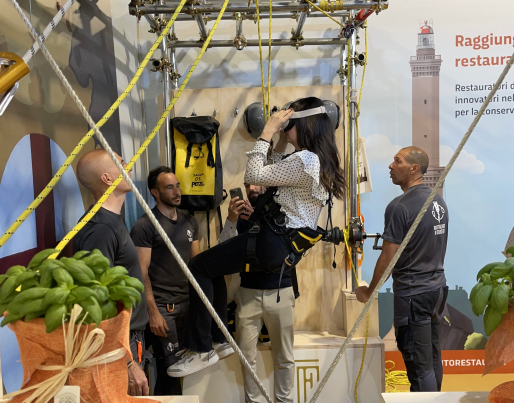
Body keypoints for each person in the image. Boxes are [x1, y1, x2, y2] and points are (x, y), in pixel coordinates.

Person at [167, 97, 346, 378]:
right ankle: (219, 340)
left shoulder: (306, 159)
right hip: (280, 245)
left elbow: (255, 174)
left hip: (272, 241)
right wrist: (281, 139)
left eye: (290, 125)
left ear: (303, 124)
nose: (285, 129)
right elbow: (274, 173)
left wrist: (267, 132)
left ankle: (202, 348)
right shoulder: (315, 160)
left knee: (198, 267)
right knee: (210, 268)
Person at [355, 146, 449, 392]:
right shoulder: (437, 200)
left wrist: (368, 293)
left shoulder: (399, 207)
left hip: (413, 295)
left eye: (397, 161)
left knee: (420, 366)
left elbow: (388, 257)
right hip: (436, 291)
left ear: (414, 169)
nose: (390, 166)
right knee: (431, 358)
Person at [72, 149, 149, 396]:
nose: (129, 166)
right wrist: (127, 361)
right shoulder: (101, 229)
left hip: (127, 338)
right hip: (120, 345)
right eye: (122, 163)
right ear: (107, 178)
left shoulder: (110, 220)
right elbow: (96, 301)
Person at [221, 183, 296, 403]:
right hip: (248, 293)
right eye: (247, 184)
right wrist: (231, 220)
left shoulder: (283, 210)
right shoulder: (239, 217)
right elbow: (223, 252)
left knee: (284, 357)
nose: (252, 188)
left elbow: (289, 245)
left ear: (268, 183)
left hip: (281, 290)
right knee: (246, 357)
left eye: (257, 182)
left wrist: (261, 218)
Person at [130, 166, 198, 395]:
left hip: (187, 306)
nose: (177, 191)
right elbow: (141, 272)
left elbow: (197, 265)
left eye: (177, 185)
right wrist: (153, 312)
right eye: (169, 187)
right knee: (170, 371)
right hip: (163, 308)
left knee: (186, 373)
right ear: (155, 193)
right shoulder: (145, 225)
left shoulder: (190, 220)